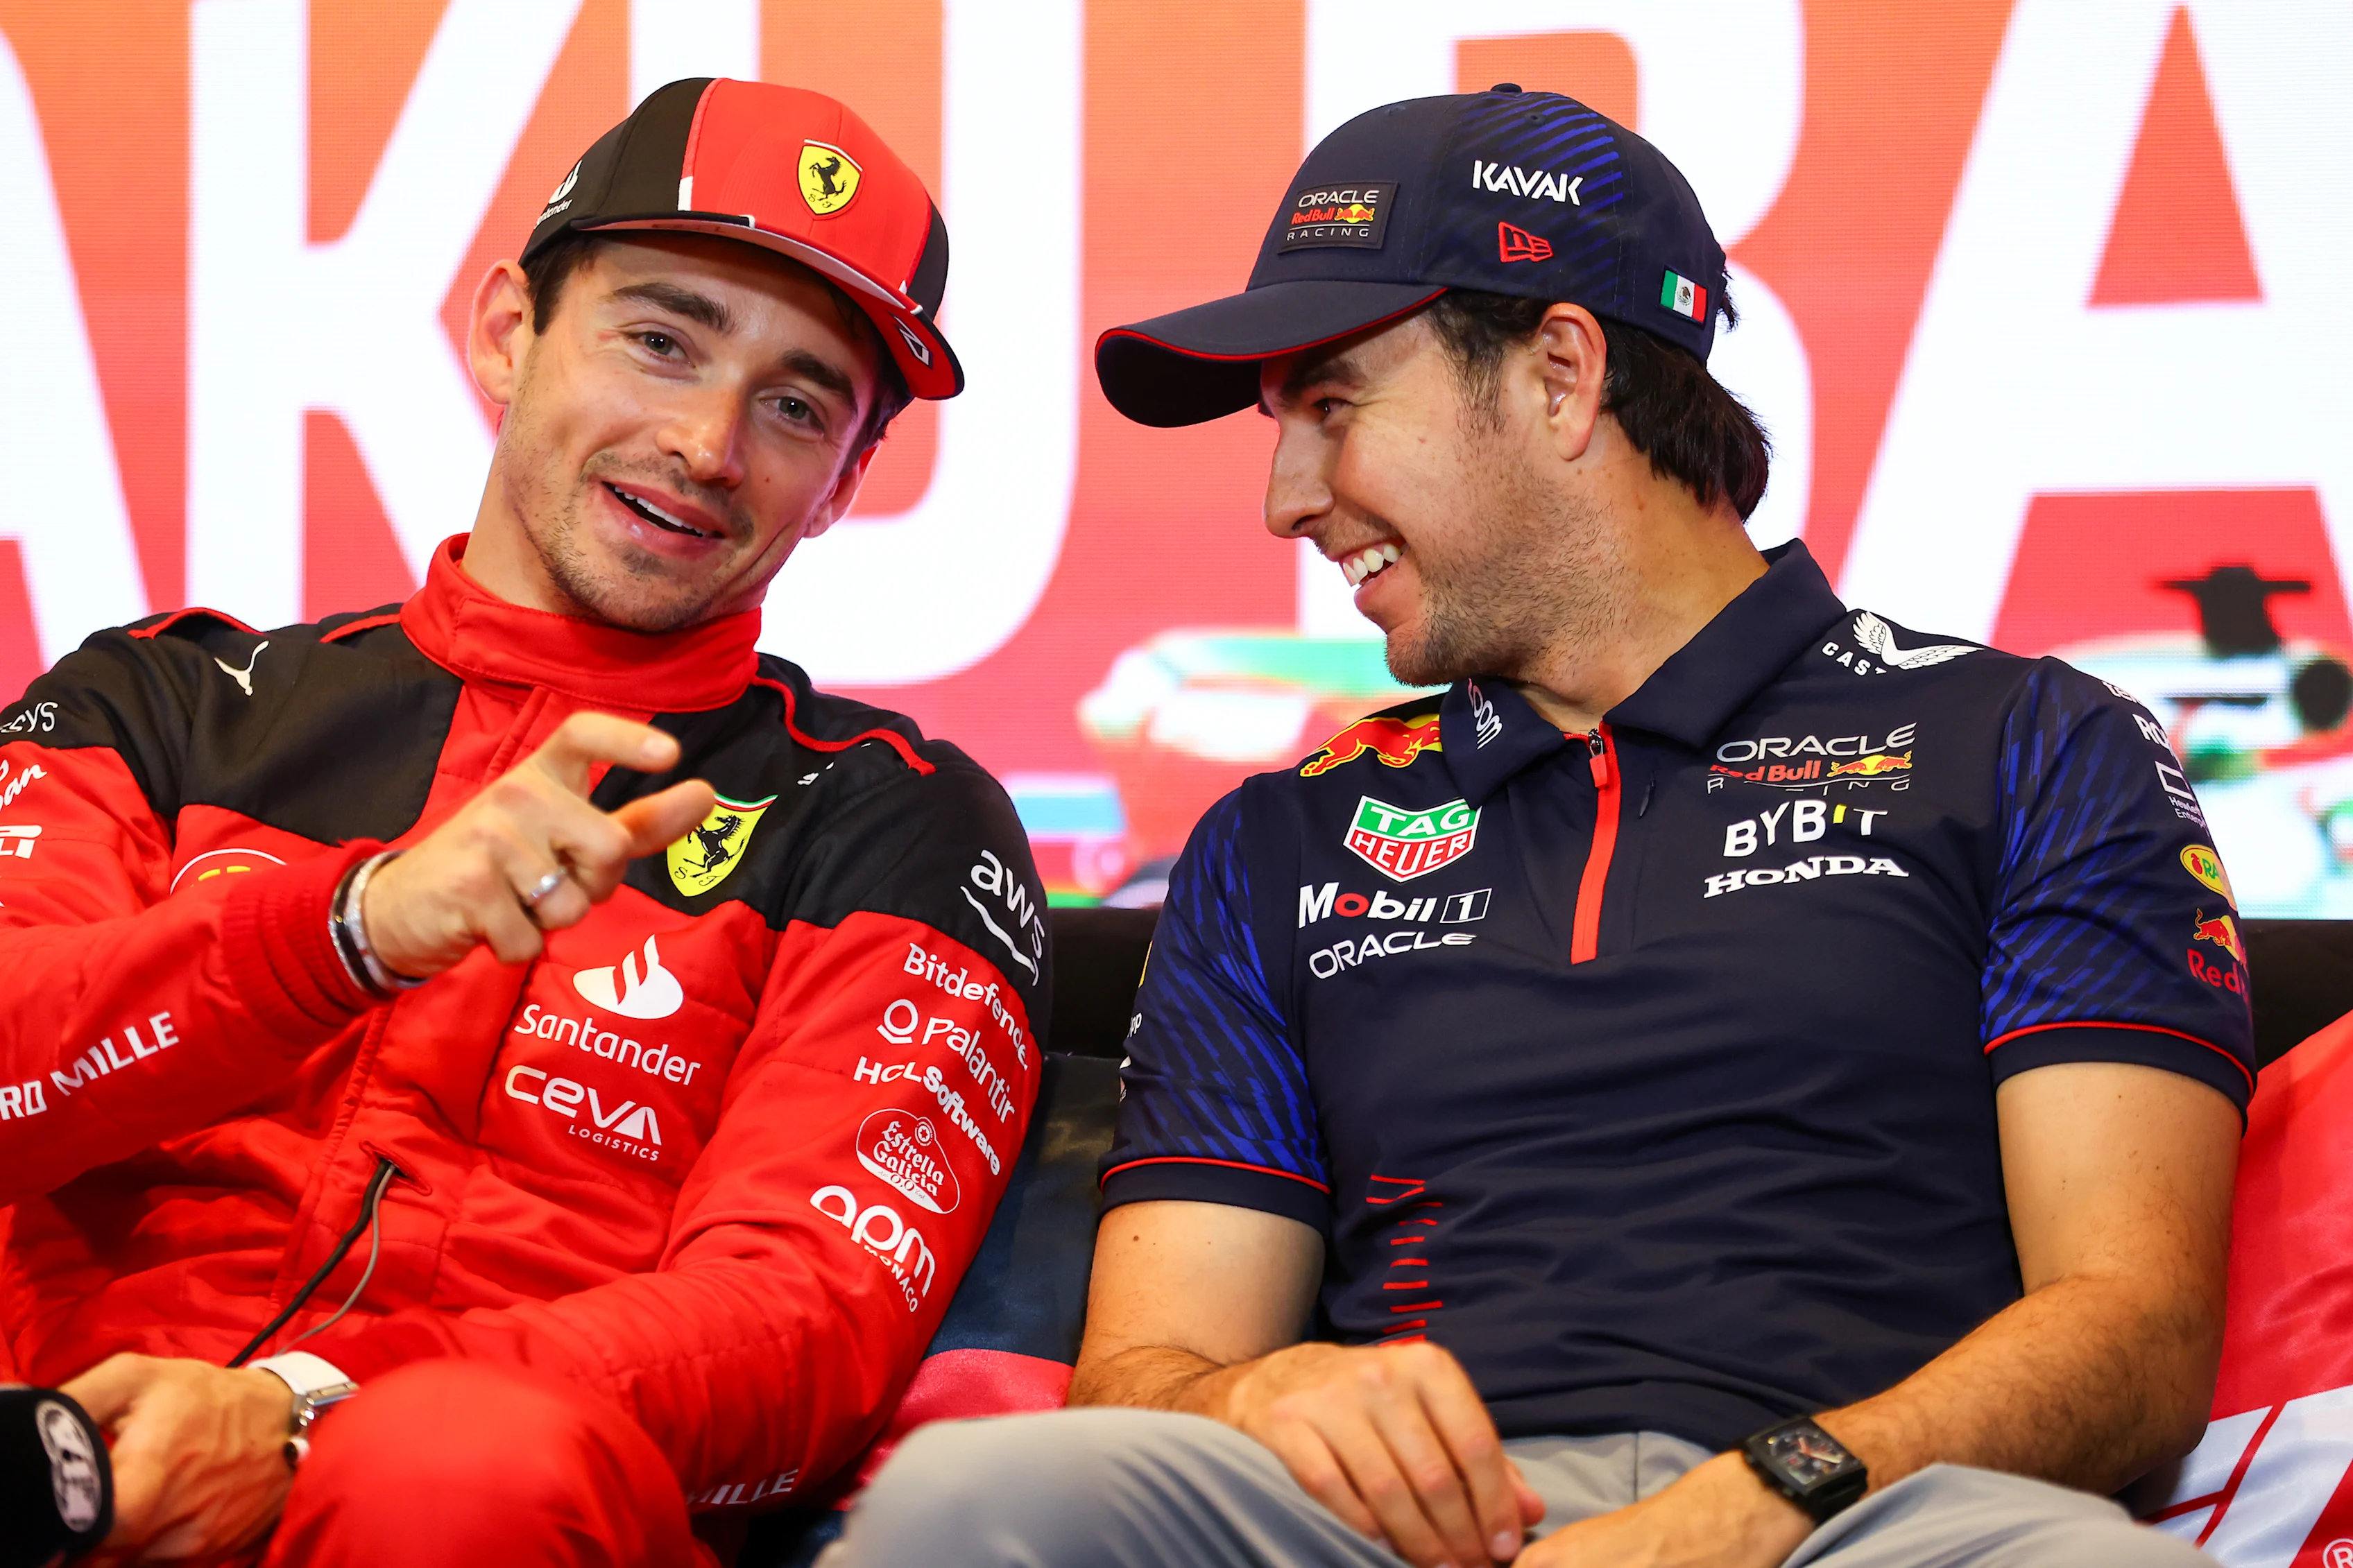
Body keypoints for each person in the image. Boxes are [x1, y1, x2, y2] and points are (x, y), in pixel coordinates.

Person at [828, 87, 2249, 1568]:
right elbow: (1152, 1366)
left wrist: (1766, 1496)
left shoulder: (2028, 740)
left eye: (1332, 405)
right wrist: (1266, 1391)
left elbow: (2138, 1333)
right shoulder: (1276, 841)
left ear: (1561, 373)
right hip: (1396, 1536)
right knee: (967, 1502)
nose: (1285, 499)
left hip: (1867, 1512)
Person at [0, 78, 1049, 1567]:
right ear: (506, 331)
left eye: (797, 404)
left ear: (844, 484)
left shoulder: (896, 818)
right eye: (661, 340)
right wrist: (344, 934)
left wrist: (305, 1410)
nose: (705, 442)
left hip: (479, 1494)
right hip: (63, 1464)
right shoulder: (164, 701)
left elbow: (802, 1325)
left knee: (451, 1463)